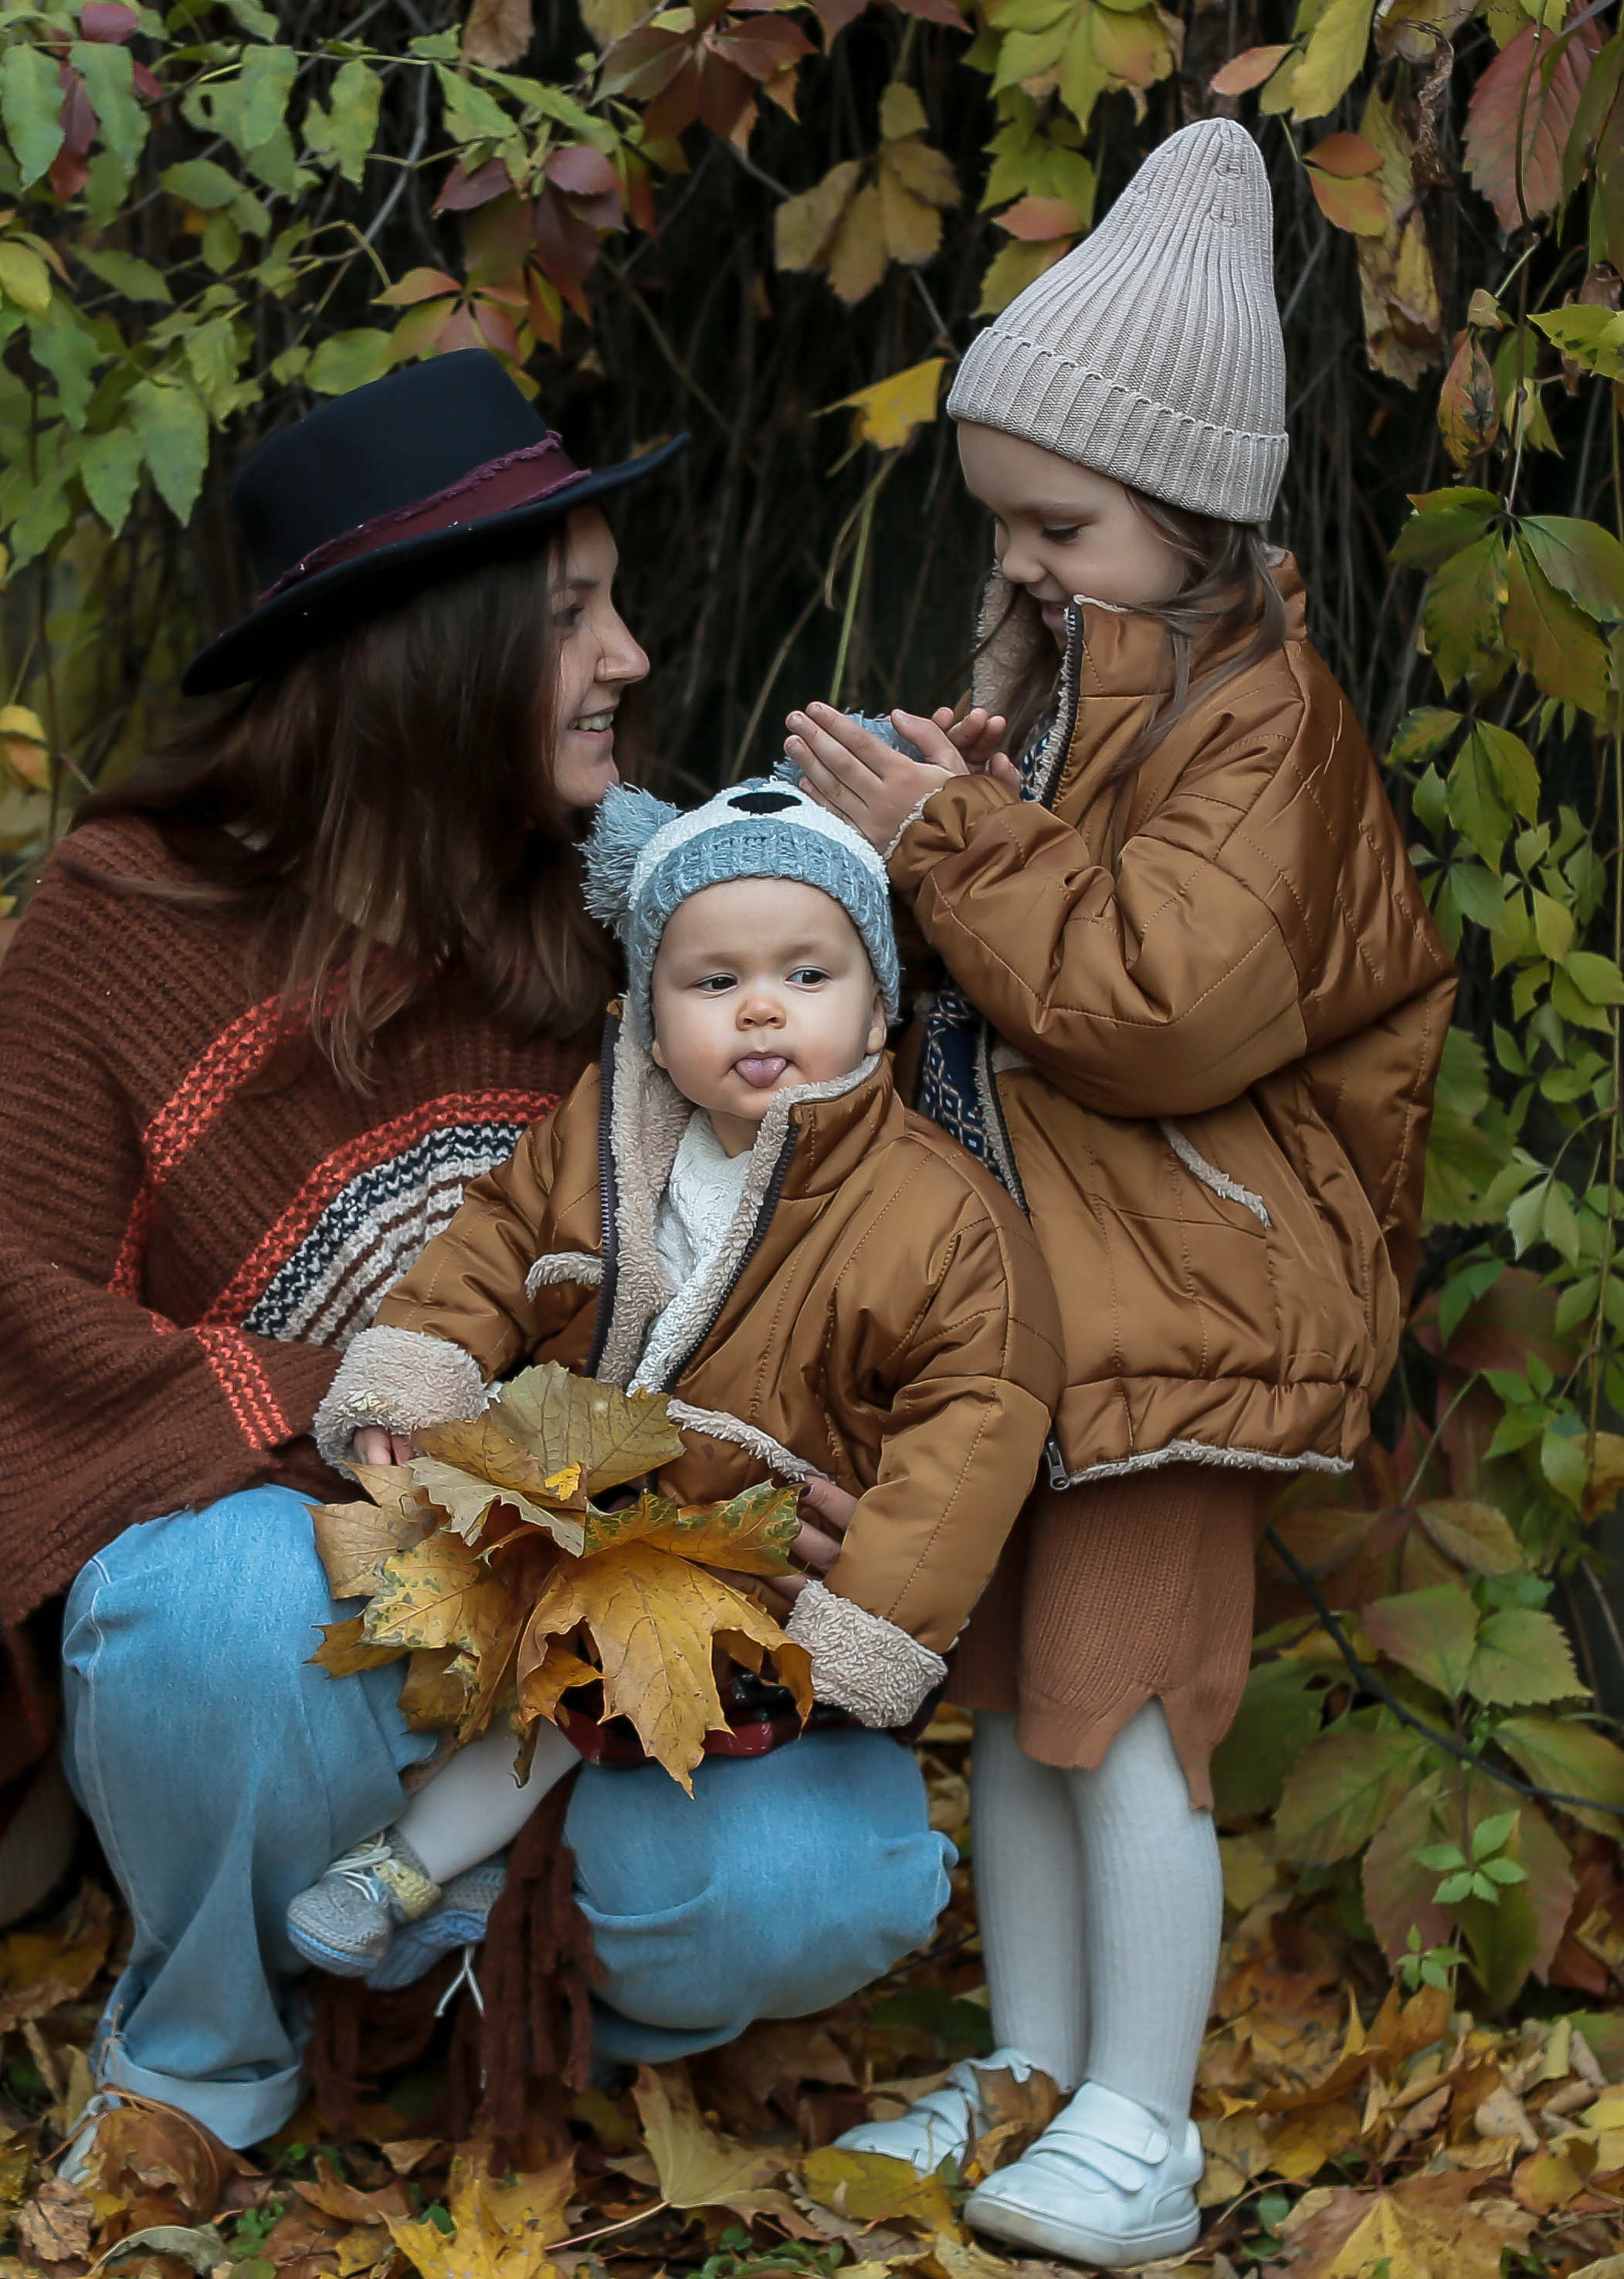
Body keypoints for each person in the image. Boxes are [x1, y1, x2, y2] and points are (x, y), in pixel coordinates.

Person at [0, 348, 954, 2157]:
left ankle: (460, 1984)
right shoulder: (127, 928)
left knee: (840, 1878)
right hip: (316, 1650)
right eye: (575, 615)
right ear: (426, 659)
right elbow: (13, 1319)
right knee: (206, 1612)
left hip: (599, 1670)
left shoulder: (639, 913)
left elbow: (848, 1209)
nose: (632, 662)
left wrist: (824, 1481)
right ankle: (211, 2043)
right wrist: (400, 1435)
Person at [781, 120, 1456, 2268]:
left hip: (1197, 1301)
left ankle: (1145, 2124)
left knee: (1134, 1725)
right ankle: (1037, 2065)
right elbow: (1061, 941)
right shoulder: (1096, 699)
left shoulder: (1281, 734)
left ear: (1192, 511)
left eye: (1062, 523)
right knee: (1025, 1712)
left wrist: (954, 852)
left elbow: (1162, 1007)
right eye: (1007, 524)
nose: (1032, 563)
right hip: (1056, 1303)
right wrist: (981, 803)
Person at [291, 778, 1063, 2012]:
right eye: (712, 983)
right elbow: (490, 1244)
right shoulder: (603, 1139)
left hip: (736, 1567)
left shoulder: (938, 1220)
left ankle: (431, 1872)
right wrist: (415, 1375)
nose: (761, 1006)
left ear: (881, 1013)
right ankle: (416, 1867)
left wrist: (863, 1629)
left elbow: (970, 1439)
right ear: (649, 1024)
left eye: (810, 976)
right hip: (564, 1506)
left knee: (601, 1697)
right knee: (509, 1661)